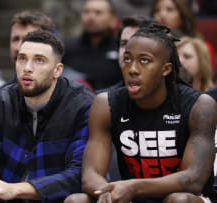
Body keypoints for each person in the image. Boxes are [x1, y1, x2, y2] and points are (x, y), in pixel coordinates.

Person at [66, 24, 217, 203]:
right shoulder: (105, 104)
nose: (132, 69)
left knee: (178, 200)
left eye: (144, 60)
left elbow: (193, 179)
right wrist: (108, 193)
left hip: (191, 198)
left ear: (166, 69)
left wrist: (134, 186)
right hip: (134, 197)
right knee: (77, 200)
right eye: (128, 59)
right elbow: (91, 176)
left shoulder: (199, 105)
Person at [0, 30, 94, 202]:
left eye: (39, 60)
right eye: (22, 58)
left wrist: (15, 189)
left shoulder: (81, 105)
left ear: (57, 70)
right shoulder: (3, 100)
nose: (27, 68)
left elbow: (78, 175)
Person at [63, 0, 122, 91]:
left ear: (113, 20)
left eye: (98, 13)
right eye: (86, 12)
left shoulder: (121, 50)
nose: (91, 17)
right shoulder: (66, 47)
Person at [151, 0, 215, 68]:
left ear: (182, 16)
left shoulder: (202, 48)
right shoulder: (147, 45)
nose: (162, 15)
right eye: (157, 10)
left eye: (170, 10)